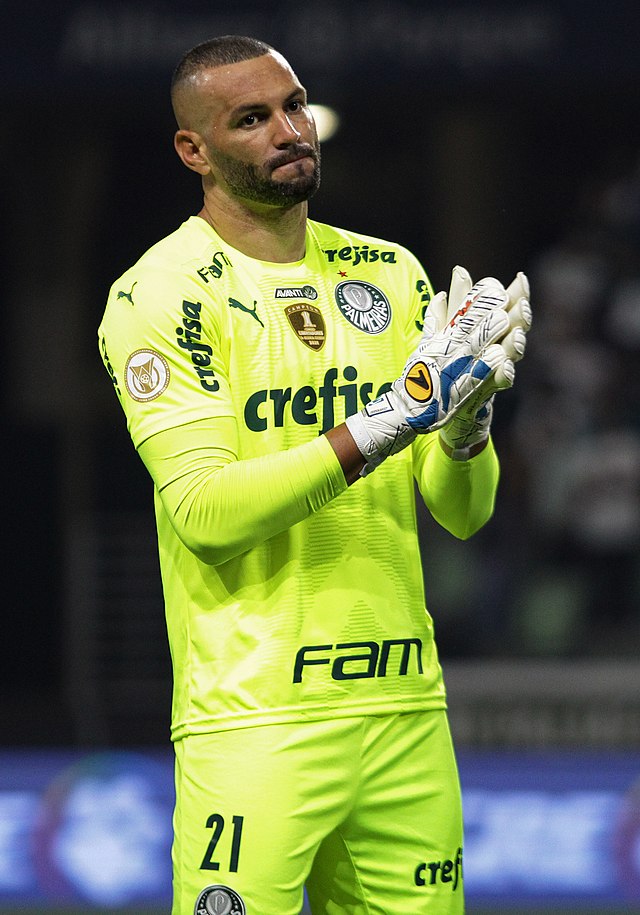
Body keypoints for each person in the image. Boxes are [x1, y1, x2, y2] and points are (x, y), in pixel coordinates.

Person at [98, 35, 531, 915]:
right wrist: (389, 417)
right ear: (195, 151)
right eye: (251, 119)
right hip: (256, 721)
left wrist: (464, 421)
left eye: (294, 105)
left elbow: (464, 514)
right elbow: (207, 512)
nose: (288, 129)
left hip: (405, 707)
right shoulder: (162, 293)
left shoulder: (387, 270)